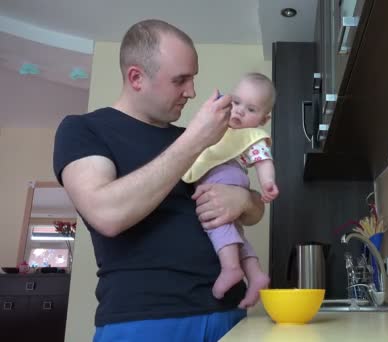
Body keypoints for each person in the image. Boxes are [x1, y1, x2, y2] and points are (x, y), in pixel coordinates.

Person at [52, 19, 265, 342]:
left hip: (229, 314)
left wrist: (245, 201)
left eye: (192, 78)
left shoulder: (194, 137)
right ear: (136, 77)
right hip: (144, 321)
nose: (191, 92)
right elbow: (106, 215)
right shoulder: (83, 129)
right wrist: (195, 140)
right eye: (180, 80)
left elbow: (255, 209)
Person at [182, 72, 277, 307]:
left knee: (216, 220)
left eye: (251, 109)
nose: (240, 111)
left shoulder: (251, 137)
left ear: (264, 120)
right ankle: (255, 274)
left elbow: (264, 161)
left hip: (226, 176)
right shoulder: (217, 127)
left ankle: (231, 268)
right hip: (230, 181)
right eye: (236, 102)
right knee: (234, 232)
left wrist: (267, 183)